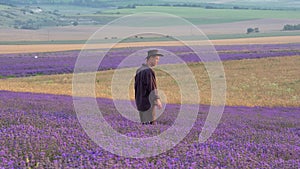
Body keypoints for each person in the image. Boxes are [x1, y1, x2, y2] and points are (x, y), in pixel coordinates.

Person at [134, 49, 163, 125]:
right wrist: (157, 99)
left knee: (144, 125)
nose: (157, 61)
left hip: (140, 103)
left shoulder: (139, 70)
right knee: (150, 126)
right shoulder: (148, 71)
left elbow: (136, 87)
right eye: (156, 59)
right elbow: (151, 87)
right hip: (148, 104)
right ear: (150, 58)